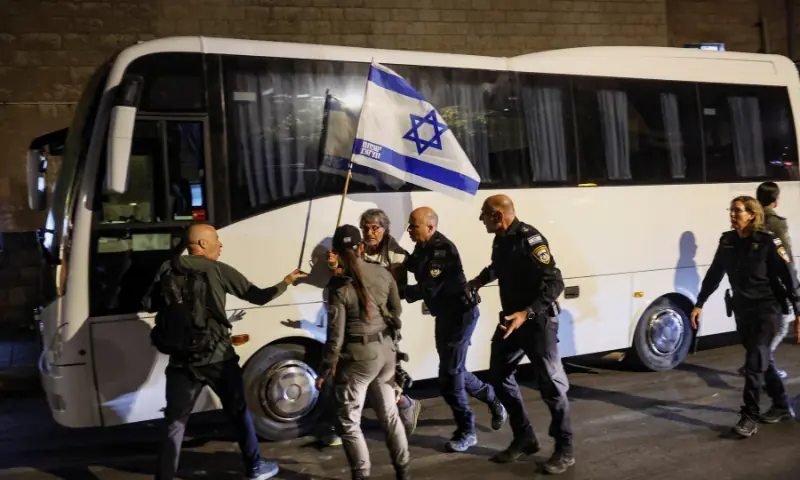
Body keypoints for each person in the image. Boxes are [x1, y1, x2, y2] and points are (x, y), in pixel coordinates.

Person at [144, 224, 307, 480]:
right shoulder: (218, 270)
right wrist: (285, 282)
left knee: (175, 423)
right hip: (217, 357)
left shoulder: (167, 267)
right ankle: (254, 466)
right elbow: (258, 297)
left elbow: (149, 304)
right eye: (217, 240)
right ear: (202, 244)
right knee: (239, 411)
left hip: (181, 360)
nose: (221, 245)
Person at [466, 194, 575, 475]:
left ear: (498, 216)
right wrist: (480, 280)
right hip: (512, 321)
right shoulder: (501, 239)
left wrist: (526, 313)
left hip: (537, 322)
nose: (480, 219)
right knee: (499, 376)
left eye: (484, 214)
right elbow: (499, 267)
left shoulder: (531, 239)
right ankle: (524, 436)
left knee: (551, 386)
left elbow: (555, 282)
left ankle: (565, 449)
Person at [691, 196, 800, 437]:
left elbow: (790, 276)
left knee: (754, 364)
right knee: (762, 359)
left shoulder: (768, 241)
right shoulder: (728, 241)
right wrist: (699, 303)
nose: (732, 215)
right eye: (731, 210)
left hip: (768, 310)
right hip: (742, 310)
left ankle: (749, 416)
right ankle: (781, 405)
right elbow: (715, 273)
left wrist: (799, 312)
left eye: (737, 211)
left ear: (751, 214)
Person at [403, 206, 507, 452]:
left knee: (449, 375)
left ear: (430, 227)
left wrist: (397, 292)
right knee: (455, 370)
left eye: (413, 226)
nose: (409, 230)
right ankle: (491, 397)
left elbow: (430, 287)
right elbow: (411, 265)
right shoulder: (422, 248)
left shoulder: (443, 250)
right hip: (445, 316)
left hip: (461, 315)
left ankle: (467, 431)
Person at [317, 225, 411, 480]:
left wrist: (326, 368)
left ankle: (362, 475)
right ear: (361, 247)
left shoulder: (339, 288)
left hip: (358, 357)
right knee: (390, 415)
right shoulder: (382, 273)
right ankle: (403, 471)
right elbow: (396, 311)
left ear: (335, 251)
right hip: (387, 353)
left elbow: (335, 337)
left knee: (349, 422)